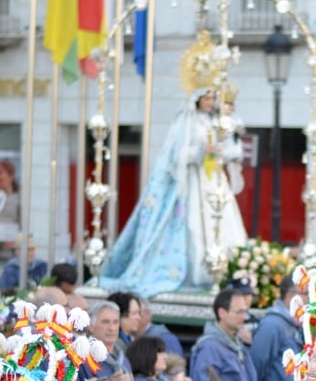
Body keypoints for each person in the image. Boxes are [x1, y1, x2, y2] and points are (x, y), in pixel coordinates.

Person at [100, 88, 247, 297]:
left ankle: (223, 270)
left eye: (212, 98)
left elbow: (230, 151)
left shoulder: (216, 122)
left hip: (213, 179)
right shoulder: (187, 122)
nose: (210, 102)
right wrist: (201, 151)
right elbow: (176, 155)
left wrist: (229, 142)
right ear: (196, 100)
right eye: (206, 98)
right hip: (194, 180)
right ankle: (198, 272)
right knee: (195, 226)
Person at [249, 277, 302, 381]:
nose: (310, 298)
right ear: (290, 296)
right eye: (306, 294)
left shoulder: (294, 323)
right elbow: (256, 365)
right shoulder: (272, 324)